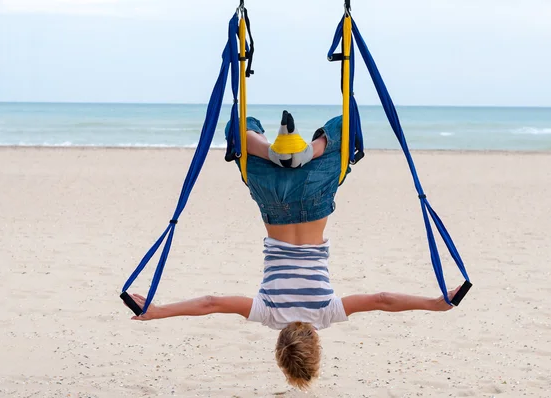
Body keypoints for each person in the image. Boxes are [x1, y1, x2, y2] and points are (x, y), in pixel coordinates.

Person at [127, 111, 461, 390]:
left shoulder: (326, 312)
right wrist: (158, 311)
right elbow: (211, 303)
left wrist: (436, 303)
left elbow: (381, 299)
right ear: (278, 348)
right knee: (238, 127)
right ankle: (276, 153)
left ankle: (311, 151)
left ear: (316, 345)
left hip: (316, 202)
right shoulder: (267, 313)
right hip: (273, 200)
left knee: (348, 125)